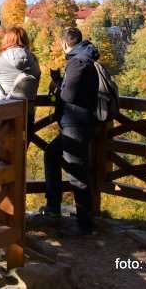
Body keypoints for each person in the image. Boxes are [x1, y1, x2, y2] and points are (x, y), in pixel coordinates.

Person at [41, 27, 100, 236]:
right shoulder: (85, 58)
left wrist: (57, 88)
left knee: (77, 173)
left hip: (76, 124)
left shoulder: (78, 62)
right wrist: (59, 81)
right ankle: (54, 206)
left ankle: (85, 225)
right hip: (80, 123)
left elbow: (68, 96)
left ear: (65, 44)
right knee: (51, 154)